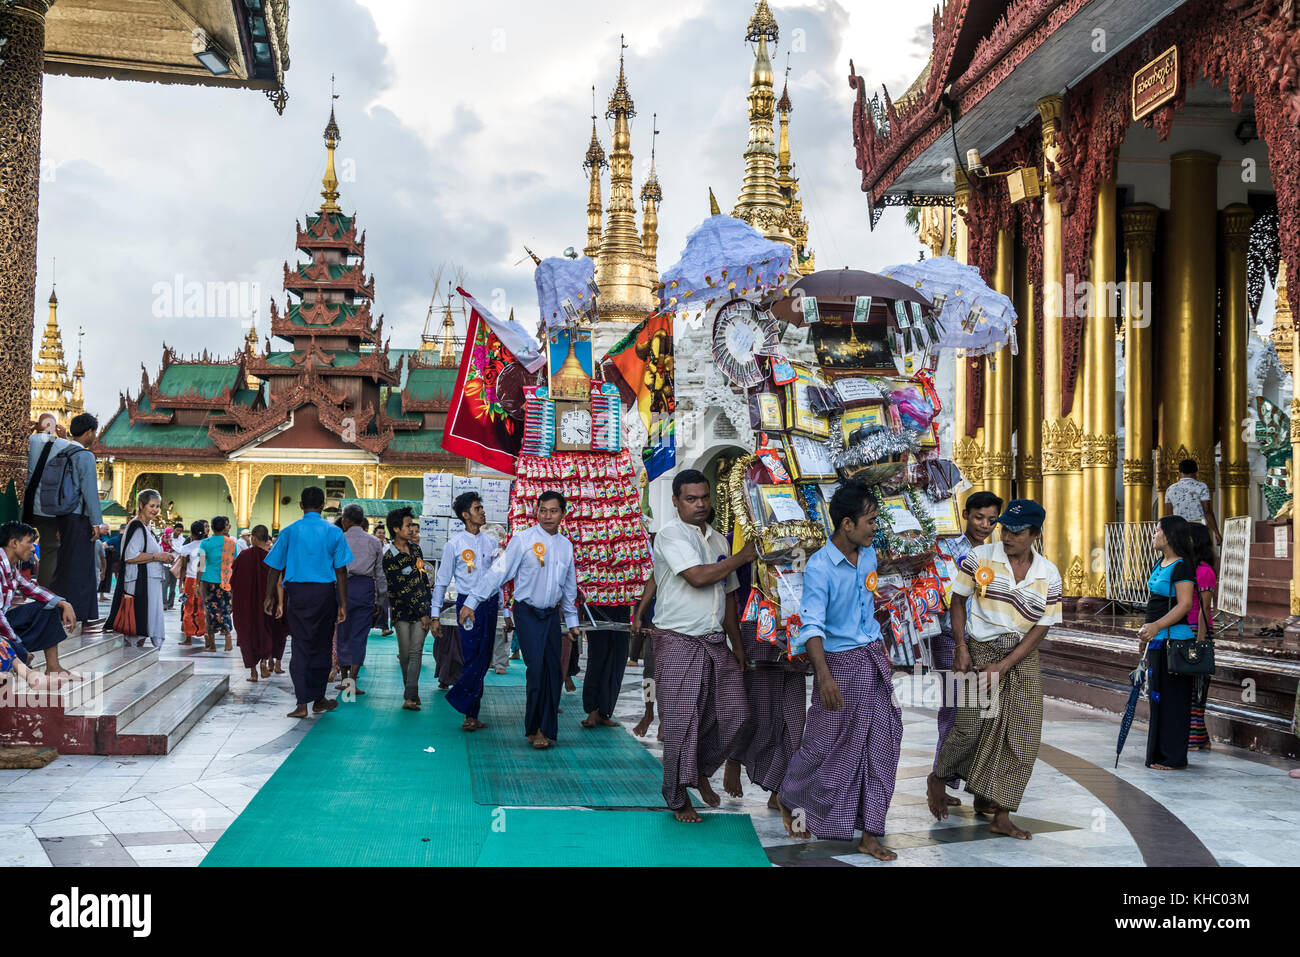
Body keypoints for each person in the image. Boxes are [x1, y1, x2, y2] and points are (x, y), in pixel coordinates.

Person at [775, 482, 900, 860]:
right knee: (822, 746)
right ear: (847, 524)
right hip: (839, 667)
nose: (875, 527)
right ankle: (789, 796)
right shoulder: (819, 568)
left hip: (872, 660)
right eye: (870, 520)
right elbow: (811, 626)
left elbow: (866, 604)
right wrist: (824, 677)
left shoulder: (869, 556)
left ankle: (871, 831)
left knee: (883, 744)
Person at [926, 498, 1062, 841]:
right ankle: (938, 777)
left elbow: (1041, 628)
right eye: (1005, 528)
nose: (1008, 536)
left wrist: (1004, 666)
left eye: (1017, 531)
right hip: (979, 649)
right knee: (969, 728)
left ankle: (1002, 813)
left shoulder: (1049, 574)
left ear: (1034, 534)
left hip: (1020, 657)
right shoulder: (980, 558)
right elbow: (957, 600)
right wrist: (960, 647)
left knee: (1024, 735)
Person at [645, 470, 754, 821]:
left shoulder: (720, 541)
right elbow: (697, 577)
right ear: (675, 501)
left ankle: (702, 771)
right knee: (680, 722)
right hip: (677, 640)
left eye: (704, 497)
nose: (700, 504)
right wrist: (743, 556)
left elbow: (729, 596)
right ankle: (678, 798)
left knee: (734, 715)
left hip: (715, 641)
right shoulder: (669, 535)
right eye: (691, 499)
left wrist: (737, 645)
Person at [461, 490, 580, 749]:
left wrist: (572, 622)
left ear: (563, 514)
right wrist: (472, 601)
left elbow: (569, 588)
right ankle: (533, 728)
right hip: (526, 613)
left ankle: (547, 728)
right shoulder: (523, 540)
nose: (547, 516)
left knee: (553, 672)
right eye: (543, 510)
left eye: (554, 511)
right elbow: (498, 573)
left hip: (551, 615)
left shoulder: (566, 546)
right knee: (536, 671)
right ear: (536, 511)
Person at [932, 490, 1002, 807]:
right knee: (955, 708)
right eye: (978, 518)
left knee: (987, 711)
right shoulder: (945, 548)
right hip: (949, 637)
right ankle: (942, 780)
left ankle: (981, 786)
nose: (984, 525)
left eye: (991, 520)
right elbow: (942, 596)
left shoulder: (998, 553)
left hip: (985, 641)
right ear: (965, 515)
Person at [264, 487, 352, 719]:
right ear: (323, 506)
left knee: (301, 646)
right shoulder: (334, 532)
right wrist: (343, 603)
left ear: (301, 506)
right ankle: (319, 698)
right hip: (325, 594)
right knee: (322, 646)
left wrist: (269, 596)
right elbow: (341, 571)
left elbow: (275, 567)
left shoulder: (289, 531)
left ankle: (302, 703)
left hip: (298, 594)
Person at [31, 413, 106, 627]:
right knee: (81, 567)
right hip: (80, 517)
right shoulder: (84, 456)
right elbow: (90, 491)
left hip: (63, 516)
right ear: (90, 431)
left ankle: (63, 607)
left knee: (65, 563)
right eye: (94, 432)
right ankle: (80, 612)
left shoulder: (62, 451)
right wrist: (96, 522)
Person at [1136, 515, 1198, 771]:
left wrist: (1157, 626)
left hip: (1175, 640)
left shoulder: (1182, 566)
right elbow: (1154, 604)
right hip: (1157, 639)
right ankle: (1158, 753)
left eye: (1157, 531)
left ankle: (1173, 757)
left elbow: (1185, 604)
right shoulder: (1160, 563)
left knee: (1174, 699)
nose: (1153, 535)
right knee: (1158, 697)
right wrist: (1145, 635)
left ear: (1170, 535)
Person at [434, 492, 501, 731]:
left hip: (490, 604)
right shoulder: (454, 545)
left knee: (484, 658)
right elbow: (442, 581)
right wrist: (435, 615)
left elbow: (497, 578)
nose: (482, 512)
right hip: (467, 606)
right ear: (465, 515)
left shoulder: (491, 542)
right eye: (477, 508)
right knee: (472, 656)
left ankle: (471, 709)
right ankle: (467, 711)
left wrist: (505, 611)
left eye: (481, 508)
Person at [0, 521, 78, 676]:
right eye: (29, 543)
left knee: (47, 607)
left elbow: (32, 589)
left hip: (3, 628)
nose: (32, 548)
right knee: (16, 649)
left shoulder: (11, 568)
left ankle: (54, 668)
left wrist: (63, 603)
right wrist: (18, 646)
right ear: (14, 543)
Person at [107, 490, 171, 649]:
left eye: (157, 506)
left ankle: (138, 651)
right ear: (141, 505)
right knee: (139, 621)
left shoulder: (145, 527)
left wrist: (162, 556)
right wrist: (158, 556)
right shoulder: (136, 526)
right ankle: (132, 653)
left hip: (150, 580)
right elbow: (129, 556)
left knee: (147, 620)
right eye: (151, 506)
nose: (155, 510)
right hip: (140, 582)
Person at [384, 506, 432, 711]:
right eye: (408, 525)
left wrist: (428, 610)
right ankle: (411, 690)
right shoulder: (389, 558)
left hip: (422, 609)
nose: (412, 528)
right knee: (404, 654)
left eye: (412, 524)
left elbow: (423, 579)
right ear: (396, 529)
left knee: (415, 652)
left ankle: (410, 696)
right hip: (402, 611)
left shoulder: (416, 550)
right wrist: (422, 612)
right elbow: (402, 589)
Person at [230, 525, 288, 682]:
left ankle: (253, 672)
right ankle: (264, 661)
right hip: (267, 602)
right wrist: (281, 604)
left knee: (247, 634)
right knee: (266, 631)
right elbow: (279, 583)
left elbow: (233, 581)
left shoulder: (243, 555)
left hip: (245, 604)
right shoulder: (271, 557)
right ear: (266, 539)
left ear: (253, 538)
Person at [335, 505, 383, 696]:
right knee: (359, 635)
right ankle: (352, 681)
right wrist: (380, 598)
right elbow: (380, 573)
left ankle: (344, 677)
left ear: (346, 519)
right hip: (365, 588)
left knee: (343, 631)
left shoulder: (339, 539)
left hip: (342, 586)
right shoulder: (374, 542)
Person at [24, 413, 69, 589]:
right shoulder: (64, 444)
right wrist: (65, 437)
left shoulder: (28, 440)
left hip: (25, 505)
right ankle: (45, 595)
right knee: (50, 550)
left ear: (38, 425)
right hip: (49, 508)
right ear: (55, 427)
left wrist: (27, 432)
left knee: (13, 544)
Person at [1186, 523, 1217, 751]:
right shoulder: (1187, 567)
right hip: (1185, 631)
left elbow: (1205, 609)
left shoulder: (1204, 570)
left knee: (1196, 687)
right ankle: (1200, 737)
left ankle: (1195, 739)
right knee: (1188, 687)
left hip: (1198, 631)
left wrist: (1201, 641)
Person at [198, 516, 237, 652]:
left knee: (210, 611)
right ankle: (228, 638)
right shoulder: (231, 543)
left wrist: (197, 583)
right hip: (226, 581)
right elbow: (235, 564)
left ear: (213, 528)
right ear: (225, 527)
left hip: (209, 582)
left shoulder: (205, 543)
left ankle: (213, 645)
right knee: (225, 610)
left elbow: (201, 566)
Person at [1165, 459, 1221, 546]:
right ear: (1196, 471)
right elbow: (1207, 511)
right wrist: (1216, 533)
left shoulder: (1170, 489)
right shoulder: (1201, 486)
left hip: (1179, 529)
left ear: (1179, 472)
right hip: (1198, 527)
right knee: (1201, 555)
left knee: (1183, 555)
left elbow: (1169, 515)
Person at [176, 521, 207, 645]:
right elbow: (202, 566)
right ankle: (205, 636)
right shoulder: (205, 545)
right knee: (202, 607)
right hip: (203, 580)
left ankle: (188, 637)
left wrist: (180, 584)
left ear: (191, 534)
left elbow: (183, 567)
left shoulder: (186, 547)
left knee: (188, 607)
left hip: (189, 580)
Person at [372, 524, 393, 636]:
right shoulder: (370, 545)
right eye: (379, 533)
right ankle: (367, 626)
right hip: (371, 578)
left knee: (384, 602)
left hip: (384, 579)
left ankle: (384, 627)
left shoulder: (388, 547)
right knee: (371, 603)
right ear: (374, 534)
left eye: (383, 533)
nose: (381, 535)